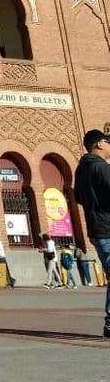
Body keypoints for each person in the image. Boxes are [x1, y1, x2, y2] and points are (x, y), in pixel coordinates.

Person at [73, 128, 110, 339]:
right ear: (100, 144)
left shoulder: (81, 169)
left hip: (96, 229)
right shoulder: (101, 167)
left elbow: (78, 197)